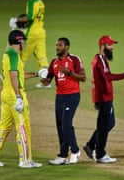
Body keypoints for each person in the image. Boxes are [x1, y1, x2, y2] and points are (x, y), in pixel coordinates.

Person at [0, 30, 42, 168]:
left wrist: (36, 73)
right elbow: (13, 76)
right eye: (23, 41)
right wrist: (18, 97)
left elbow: (18, 75)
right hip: (14, 96)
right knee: (23, 127)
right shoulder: (14, 55)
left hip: (6, 94)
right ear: (18, 41)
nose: (24, 43)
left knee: (3, 126)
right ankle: (25, 160)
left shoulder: (8, 55)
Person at [83, 35, 124, 164]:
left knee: (106, 124)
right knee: (106, 124)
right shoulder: (99, 61)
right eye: (110, 45)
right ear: (103, 46)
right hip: (104, 98)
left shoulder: (100, 59)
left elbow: (100, 80)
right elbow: (108, 78)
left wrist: (96, 99)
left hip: (103, 98)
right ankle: (100, 153)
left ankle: (91, 145)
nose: (112, 48)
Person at [40, 37, 86, 165]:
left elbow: (83, 77)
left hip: (72, 96)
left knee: (66, 124)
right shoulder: (54, 62)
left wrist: (69, 73)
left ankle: (75, 151)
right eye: (56, 45)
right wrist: (44, 80)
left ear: (67, 47)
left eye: (60, 45)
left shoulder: (74, 60)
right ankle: (63, 155)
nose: (57, 47)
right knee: (60, 126)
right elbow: (48, 79)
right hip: (59, 97)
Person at [9, 0, 50, 88]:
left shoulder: (31, 1)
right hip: (41, 33)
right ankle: (46, 81)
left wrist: (17, 21)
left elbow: (30, 17)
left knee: (22, 56)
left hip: (31, 34)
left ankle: (15, 78)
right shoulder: (40, 2)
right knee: (42, 58)